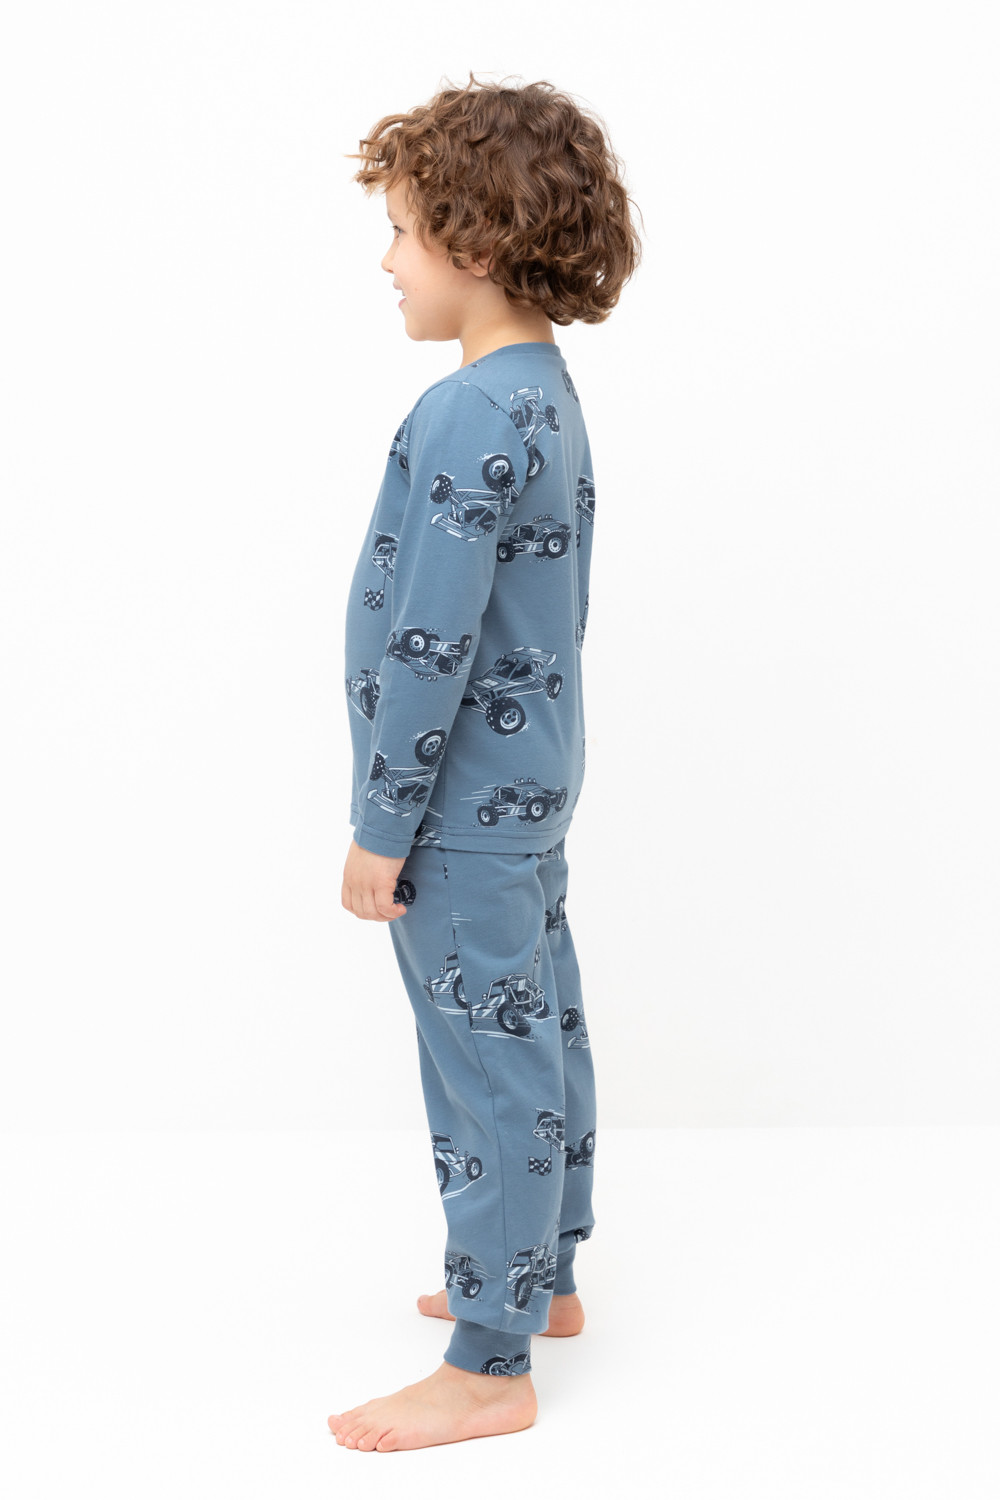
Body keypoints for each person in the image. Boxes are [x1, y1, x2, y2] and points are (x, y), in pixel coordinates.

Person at [328, 73, 641, 1453]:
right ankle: (546, 1274)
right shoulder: (541, 393)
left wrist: (381, 823)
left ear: (475, 239)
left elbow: (432, 645)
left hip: (457, 813)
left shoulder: (467, 413)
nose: (386, 260)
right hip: (525, 791)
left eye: (402, 230)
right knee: (539, 1026)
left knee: (483, 1064)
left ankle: (490, 1357)